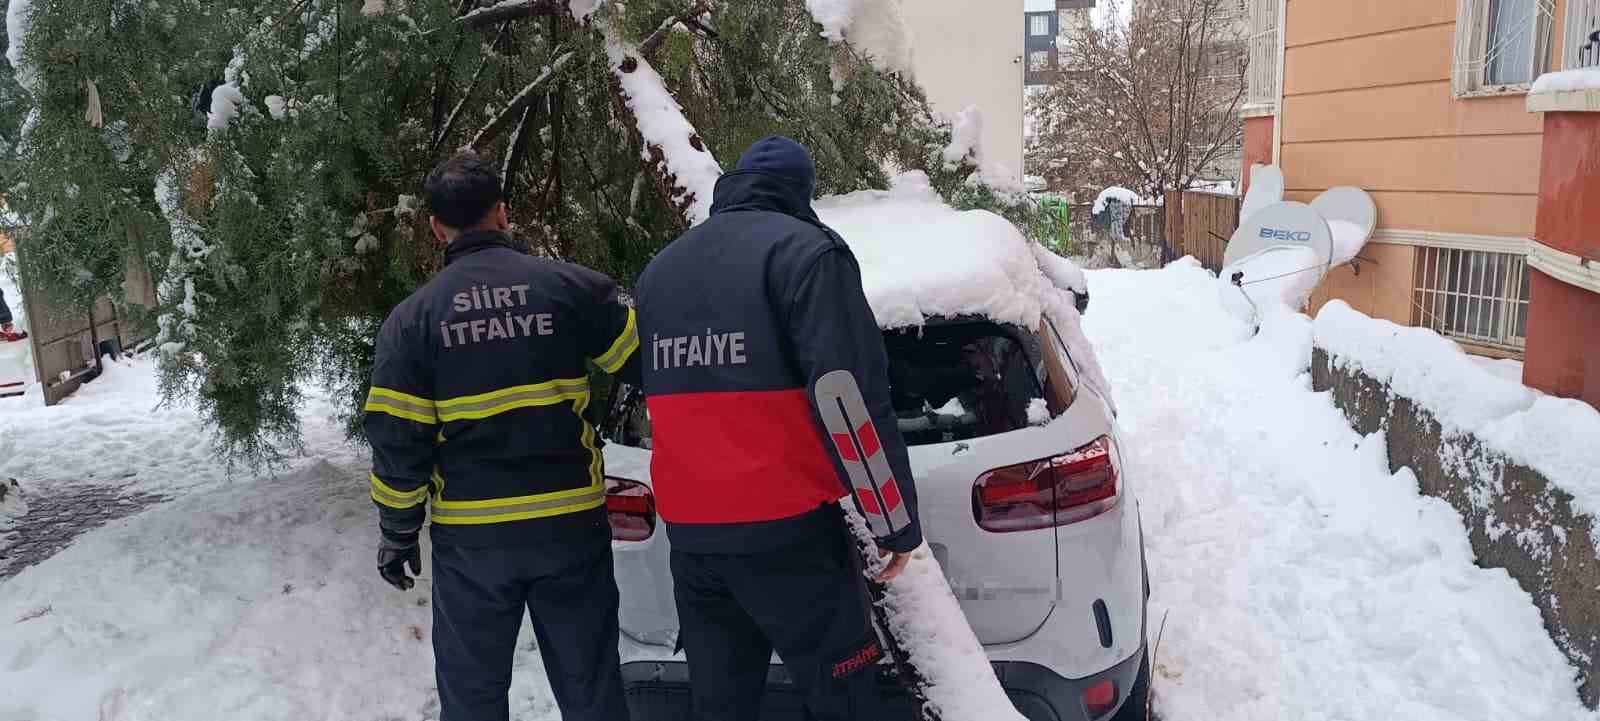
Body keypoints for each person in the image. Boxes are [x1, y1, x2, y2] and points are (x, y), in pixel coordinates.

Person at [634, 136, 924, 720]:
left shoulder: (660, 271)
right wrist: (893, 523)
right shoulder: (807, 255)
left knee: (722, 703)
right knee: (843, 698)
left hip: (693, 537)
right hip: (787, 533)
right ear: (801, 193)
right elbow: (846, 399)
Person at [363, 152, 639, 721]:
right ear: (503, 214)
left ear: (438, 228)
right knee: (592, 687)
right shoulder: (571, 289)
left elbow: (398, 440)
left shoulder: (413, 321)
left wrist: (398, 531)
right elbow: (650, 364)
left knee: (472, 696)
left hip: (474, 542)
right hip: (570, 526)